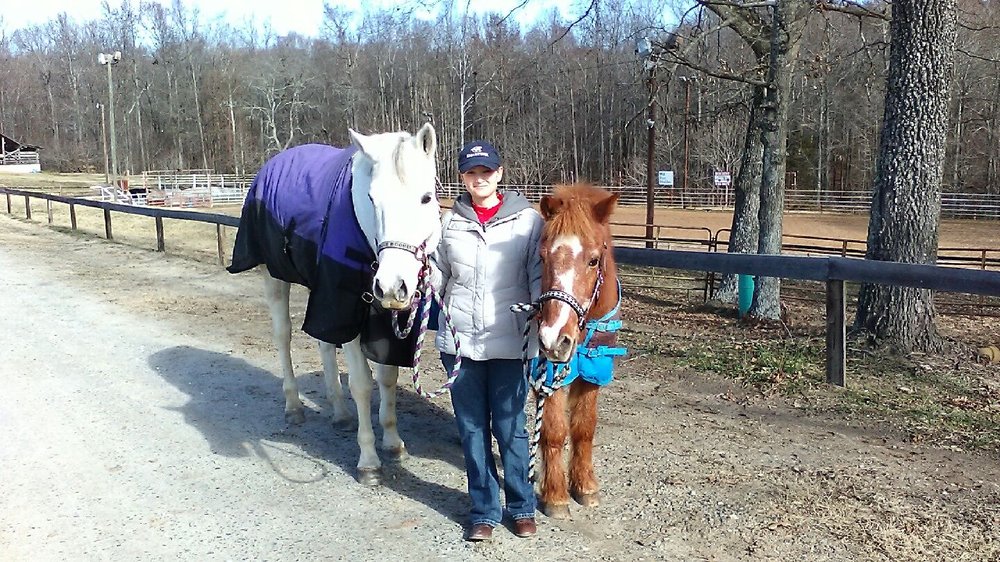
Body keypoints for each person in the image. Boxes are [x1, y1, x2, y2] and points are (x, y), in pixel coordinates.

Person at [431, 140, 543, 541]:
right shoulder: (447, 222)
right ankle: (483, 510)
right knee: (472, 428)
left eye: (486, 171)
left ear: (499, 174)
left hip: (512, 341)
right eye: (471, 173)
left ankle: (521, 505)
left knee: (511, 428)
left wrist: (538, 308)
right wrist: (418, 286)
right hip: (460, 343)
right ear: (462, 177)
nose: (479, 179)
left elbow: (536, 272)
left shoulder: (528, 222)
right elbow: (438, 275)